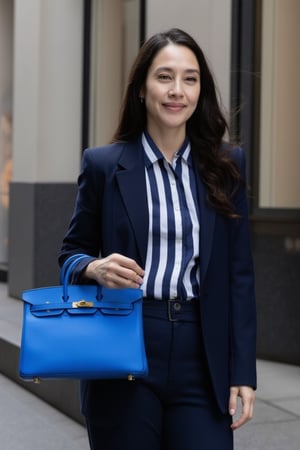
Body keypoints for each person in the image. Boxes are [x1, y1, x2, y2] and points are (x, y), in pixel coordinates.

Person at [59, 28, 256, 450]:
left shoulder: (227, 166)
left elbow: (240, 275)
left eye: (190, 78)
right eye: (164, 77)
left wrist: (242, 369)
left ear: (200, 91)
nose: (177, 91)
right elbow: (70, 255)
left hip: (201, 350)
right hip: (124, 339)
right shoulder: (103, 166)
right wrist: (95, 267)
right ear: (142, 89)